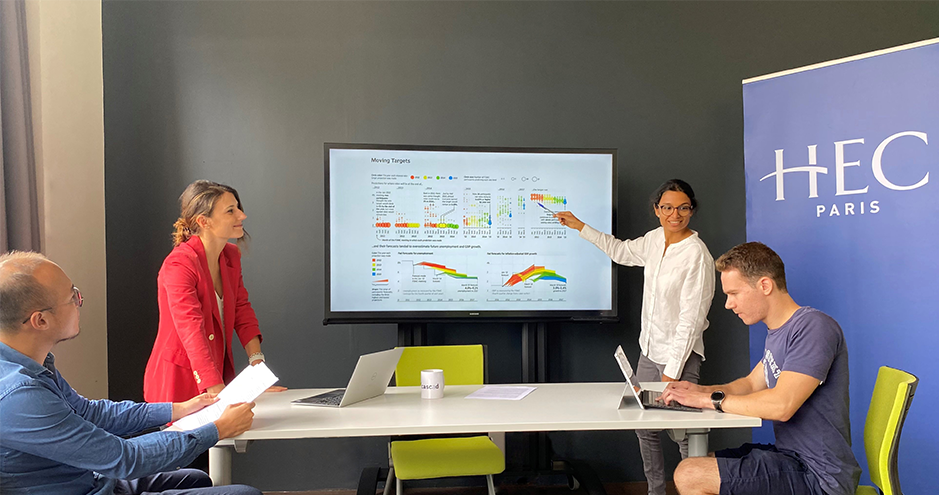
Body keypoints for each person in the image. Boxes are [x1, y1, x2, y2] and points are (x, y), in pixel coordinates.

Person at [0, 251, 261, 494]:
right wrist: (217, 430)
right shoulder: (19, 396)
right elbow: (124, 459)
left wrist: (178, 409)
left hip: (91, 479)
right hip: (89, 487)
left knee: (196, 477)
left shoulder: (32, 363)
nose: (79, 302)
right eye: (72, 297)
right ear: (41, 320)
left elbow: (89, 413)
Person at [555, 179, 715, 495]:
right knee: (644, 427)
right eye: (667, 207)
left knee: (685, 433)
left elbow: (692, 320)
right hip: (649, 352)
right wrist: (580, 227)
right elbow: (621, 251)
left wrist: (671, 372)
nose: (675, 214)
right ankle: (655, 491)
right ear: (657, 210)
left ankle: (694, 490)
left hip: (680, 358)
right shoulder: (654, 240)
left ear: (692, 210)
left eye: (683, 208)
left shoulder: (697, 255)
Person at [661, 242, 860, 495]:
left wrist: (707, 401)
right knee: (704, 460)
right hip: (791, 456)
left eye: (734, 293)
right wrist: (699, 391)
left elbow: (781, 406)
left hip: (820, 476)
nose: (728, 304)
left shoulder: (813, 328)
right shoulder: (778, 332)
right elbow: (750, 384)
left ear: (765, 285)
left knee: (690, 474)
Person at [144, 180, 284, 403]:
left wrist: (257, 369)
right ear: (204, 221)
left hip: (215, 377)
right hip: (178, 383)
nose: (242, 215)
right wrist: (219, 394)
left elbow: (241, 309)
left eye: (238, 208)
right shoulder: (179, 264)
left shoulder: (230, 256)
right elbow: (191, 329)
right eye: (230, 211)